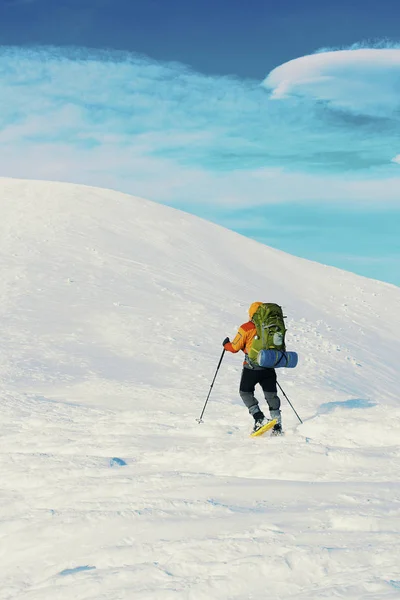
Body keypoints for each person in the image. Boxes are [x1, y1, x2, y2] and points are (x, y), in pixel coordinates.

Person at [223, 302, 282, 434]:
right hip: (269, 367)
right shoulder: (272, 327)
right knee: (271, 395)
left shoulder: (247, 327)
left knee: (245, 392)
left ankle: (259, 418)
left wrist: (226, 345)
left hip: (252, 368)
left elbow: (234, 348)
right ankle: (277, 425)